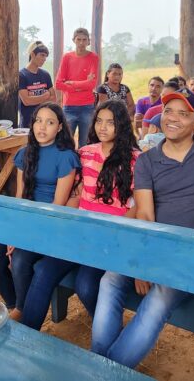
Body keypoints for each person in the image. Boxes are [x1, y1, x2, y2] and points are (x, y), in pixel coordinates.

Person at [92, 92, 194, 369]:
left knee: (160, 296)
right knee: (110, 279)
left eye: (183, 113)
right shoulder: (148, 160)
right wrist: (142, 263)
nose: (173, 118)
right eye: (168, 111)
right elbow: (145, 214)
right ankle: (99, 364)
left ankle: (104, 371)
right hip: (156, 246)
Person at [20, 100, 138, 330]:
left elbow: (138, 206)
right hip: (79, 232)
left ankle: (109, 328)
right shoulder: (85, 154)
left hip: (109, 236)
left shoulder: (135, 160)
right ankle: (25, 335)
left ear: (122, 126)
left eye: (110, 122)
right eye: (99, 121)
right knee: (43, 270)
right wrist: (63, 225)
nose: (102, 127)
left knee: (85, 285)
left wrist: (117, 231)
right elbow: (76, 195)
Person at [0, 103, 79, 320]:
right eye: (38, 121)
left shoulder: (66, 157)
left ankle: (21, 310)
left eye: (50, 122)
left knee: (19, 259)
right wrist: (14, 233)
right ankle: (14, 305)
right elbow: (21, 196)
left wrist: (24, 237)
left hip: (50, 223)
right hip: (26, 220)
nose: (42, 127)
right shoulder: (24, 154)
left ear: (59, 128)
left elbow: (57, 206)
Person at [56, 27, 99, 146]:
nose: (81, 43)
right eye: (78, 39)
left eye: (84, 40)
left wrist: (72, 83)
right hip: (69, 107)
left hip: (87, 107)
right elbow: (58, 84)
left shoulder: (93, 57)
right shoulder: (67, 57)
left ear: (88, 41)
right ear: (73, 40)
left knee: (85, 144)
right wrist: (83, 84)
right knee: (65, 143)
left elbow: (92, 84)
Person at [19, 40, 55, 128]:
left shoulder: (46, 75)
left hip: (44, 123)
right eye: (42, 55)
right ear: (32, 54)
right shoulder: (21, 75)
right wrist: (45, 95)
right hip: (27, 124)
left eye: (45, 56)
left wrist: (33, 97)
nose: (44, 59)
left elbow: (53, 99)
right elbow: (26, 101)